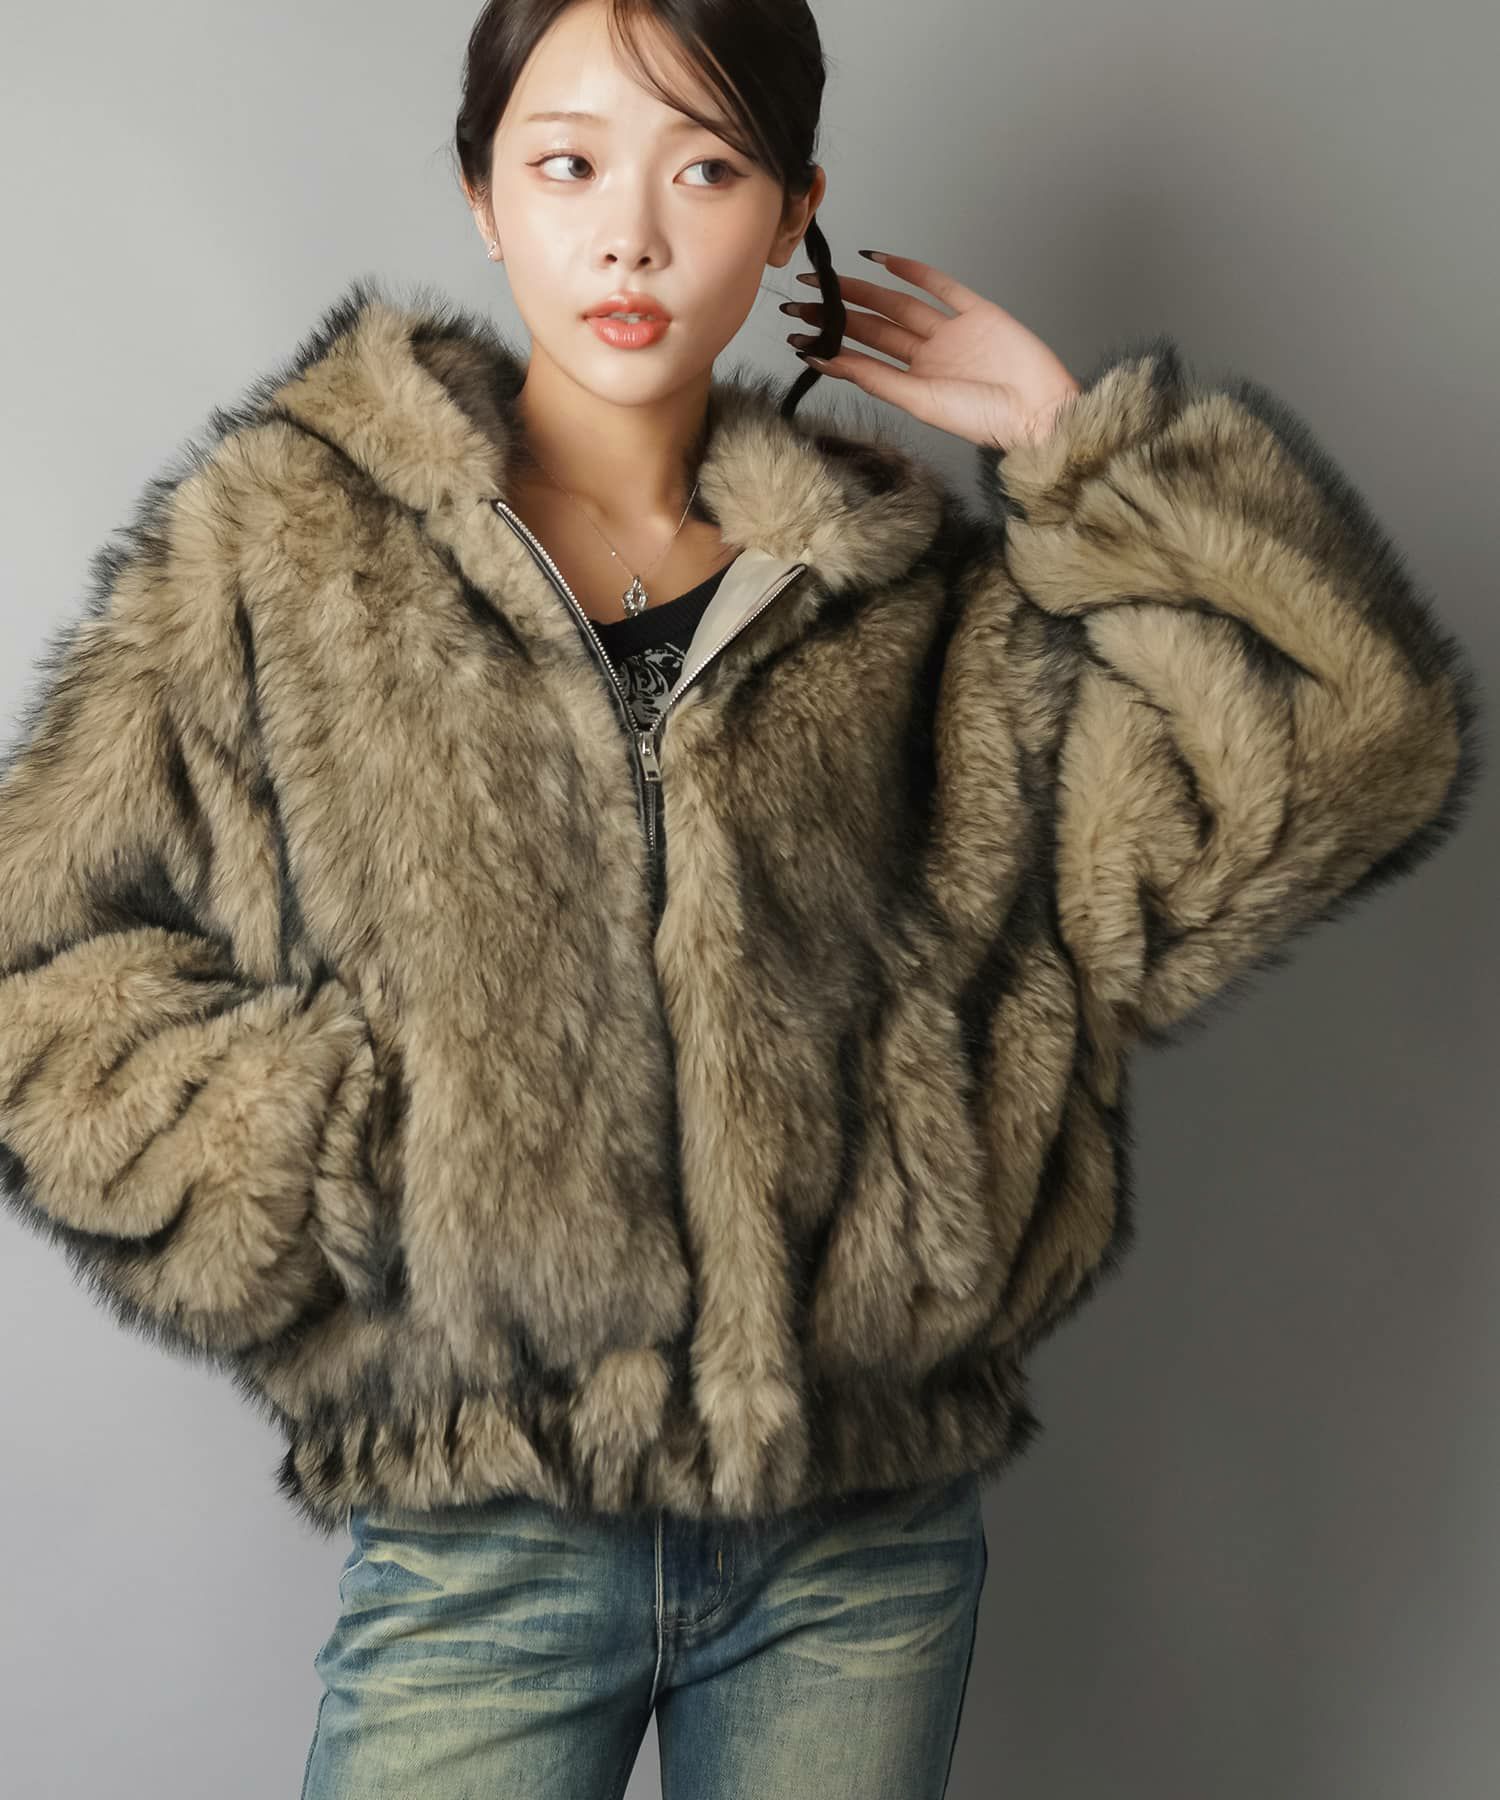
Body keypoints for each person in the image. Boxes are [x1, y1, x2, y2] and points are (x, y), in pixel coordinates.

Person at [0, 1, 1482, 1795]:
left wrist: (1070, 442)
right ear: (483, 194)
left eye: (704, 170)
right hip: (488, 1543)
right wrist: (329, 1148)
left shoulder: (918, 606)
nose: (630, 234)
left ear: (791, 213)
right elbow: (34, 963)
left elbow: (1354, 751)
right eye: (568, 165)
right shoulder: (290, 546)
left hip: (858, 1548)